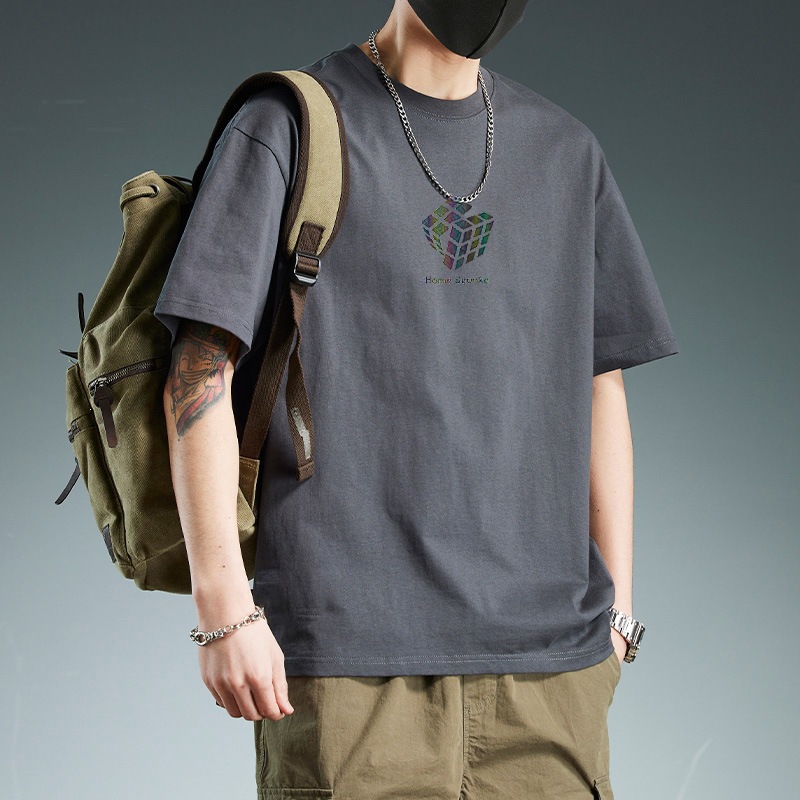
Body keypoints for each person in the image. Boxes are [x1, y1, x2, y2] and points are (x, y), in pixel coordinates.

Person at [154, 1, 679, 797]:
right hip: (351, 670)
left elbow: (599, 383)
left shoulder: (566, 153)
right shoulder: (288, 127)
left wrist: (618, 614)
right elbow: (200, 363)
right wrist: (222, 605)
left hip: (550, 675)